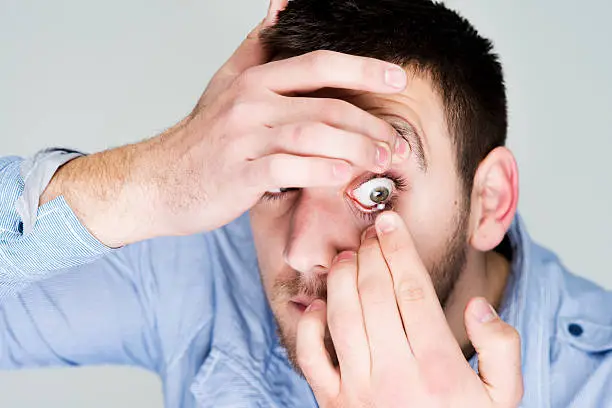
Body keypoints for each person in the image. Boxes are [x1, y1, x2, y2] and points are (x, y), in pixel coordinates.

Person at [1, 0, 611, 407]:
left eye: (375, 191)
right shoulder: (204, 269)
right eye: (280, 174)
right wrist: (149, 181)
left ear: (489, 203)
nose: (300, 247)